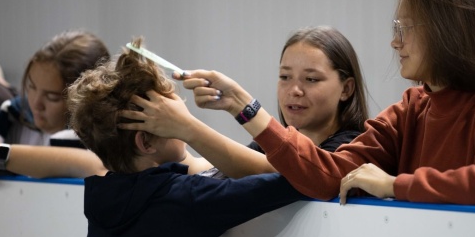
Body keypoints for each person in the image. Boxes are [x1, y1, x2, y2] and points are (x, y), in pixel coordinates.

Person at [172, 0, 475, 205]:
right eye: (285, 76)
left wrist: (394, 185)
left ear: (449, 34)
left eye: (405, 29)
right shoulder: (412, 107)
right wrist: (243, 106)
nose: (395, 42)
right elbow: (329, 174)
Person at [67, 38, 310, 237]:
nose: (185, 117)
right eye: (174, 120)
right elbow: (298, 178)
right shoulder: (186, 198)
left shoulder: (101, 198)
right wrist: (197, 128)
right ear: (146, 142)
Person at [118, 25, 369, 179]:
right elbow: (221, 168)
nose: (294, 90)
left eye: (311, 79)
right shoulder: (270, 146)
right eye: (284, 77)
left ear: (346, 89)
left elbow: (285, 170)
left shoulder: (352, 147)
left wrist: (187, 127)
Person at [0, 29, 109, 147]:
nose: (36, 104)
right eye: (31, 87)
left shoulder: (98, 141)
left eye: (52, 97)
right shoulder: (14, 115)